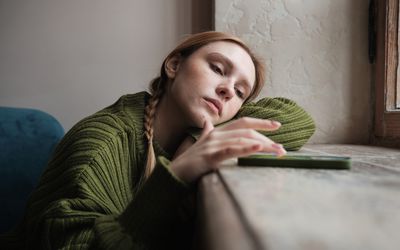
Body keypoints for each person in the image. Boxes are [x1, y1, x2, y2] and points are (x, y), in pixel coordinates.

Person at [1, 31, 315, 249]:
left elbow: (300, 118)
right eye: (218, 69)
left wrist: (197, 140)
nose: (228, 90)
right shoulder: (103, 142)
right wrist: (176, 175)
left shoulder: (190, 133)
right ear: (174, 65)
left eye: (241, 92)